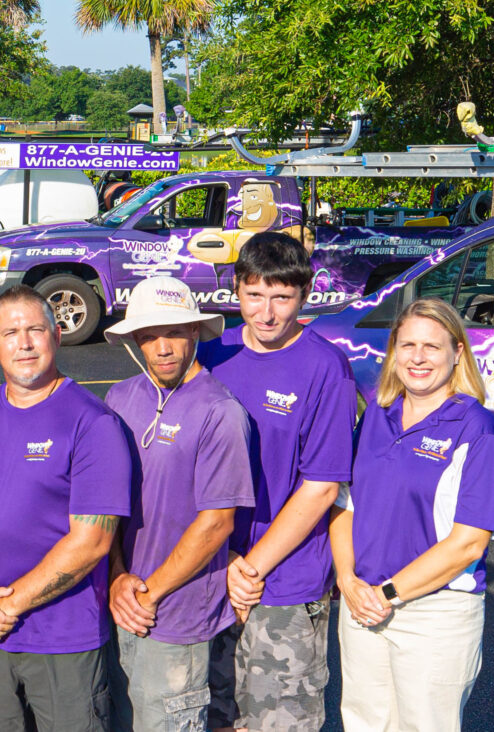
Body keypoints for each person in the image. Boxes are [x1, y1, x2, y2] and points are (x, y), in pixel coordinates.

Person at [0, 287, 135, 732]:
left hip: (64, 640)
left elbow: (92, 542)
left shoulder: (93, 424)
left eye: (35, 330)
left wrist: (10, 604)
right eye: (10, 333)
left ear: (57, 336)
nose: (24, 343)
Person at [332, 298, 494, 732]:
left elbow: (468, 542)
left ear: (458, 353)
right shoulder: (376, 415)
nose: (417, 357)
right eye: (407, 344)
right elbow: (344, 503)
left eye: (431, 347)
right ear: (393, 350)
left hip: (434, 612)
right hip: (362, 603)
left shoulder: (478, 431)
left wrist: (388, 594)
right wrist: (346, 579)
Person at [206, 233, 356, 732]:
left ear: (305, 294)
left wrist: (248, 570)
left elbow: (321, 487)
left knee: (279, 720)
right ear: (236, 289)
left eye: (281, 297)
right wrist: (223, 559)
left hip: (284, 580)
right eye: (254, 295)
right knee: (214, 715)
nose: (266, 313)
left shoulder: (325, 368)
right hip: (207, 568)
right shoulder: (212, 354)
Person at [100, 277, 256, 732]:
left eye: (174, 332)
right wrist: (117, 578)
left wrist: (148, 593)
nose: (162, 346)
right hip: (121, 603)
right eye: (149, 335)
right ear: (134, 340)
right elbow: (106, 503)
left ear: (194, 333)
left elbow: (216, 523)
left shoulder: (219, 411)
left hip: (178, 615)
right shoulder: (120, 398)